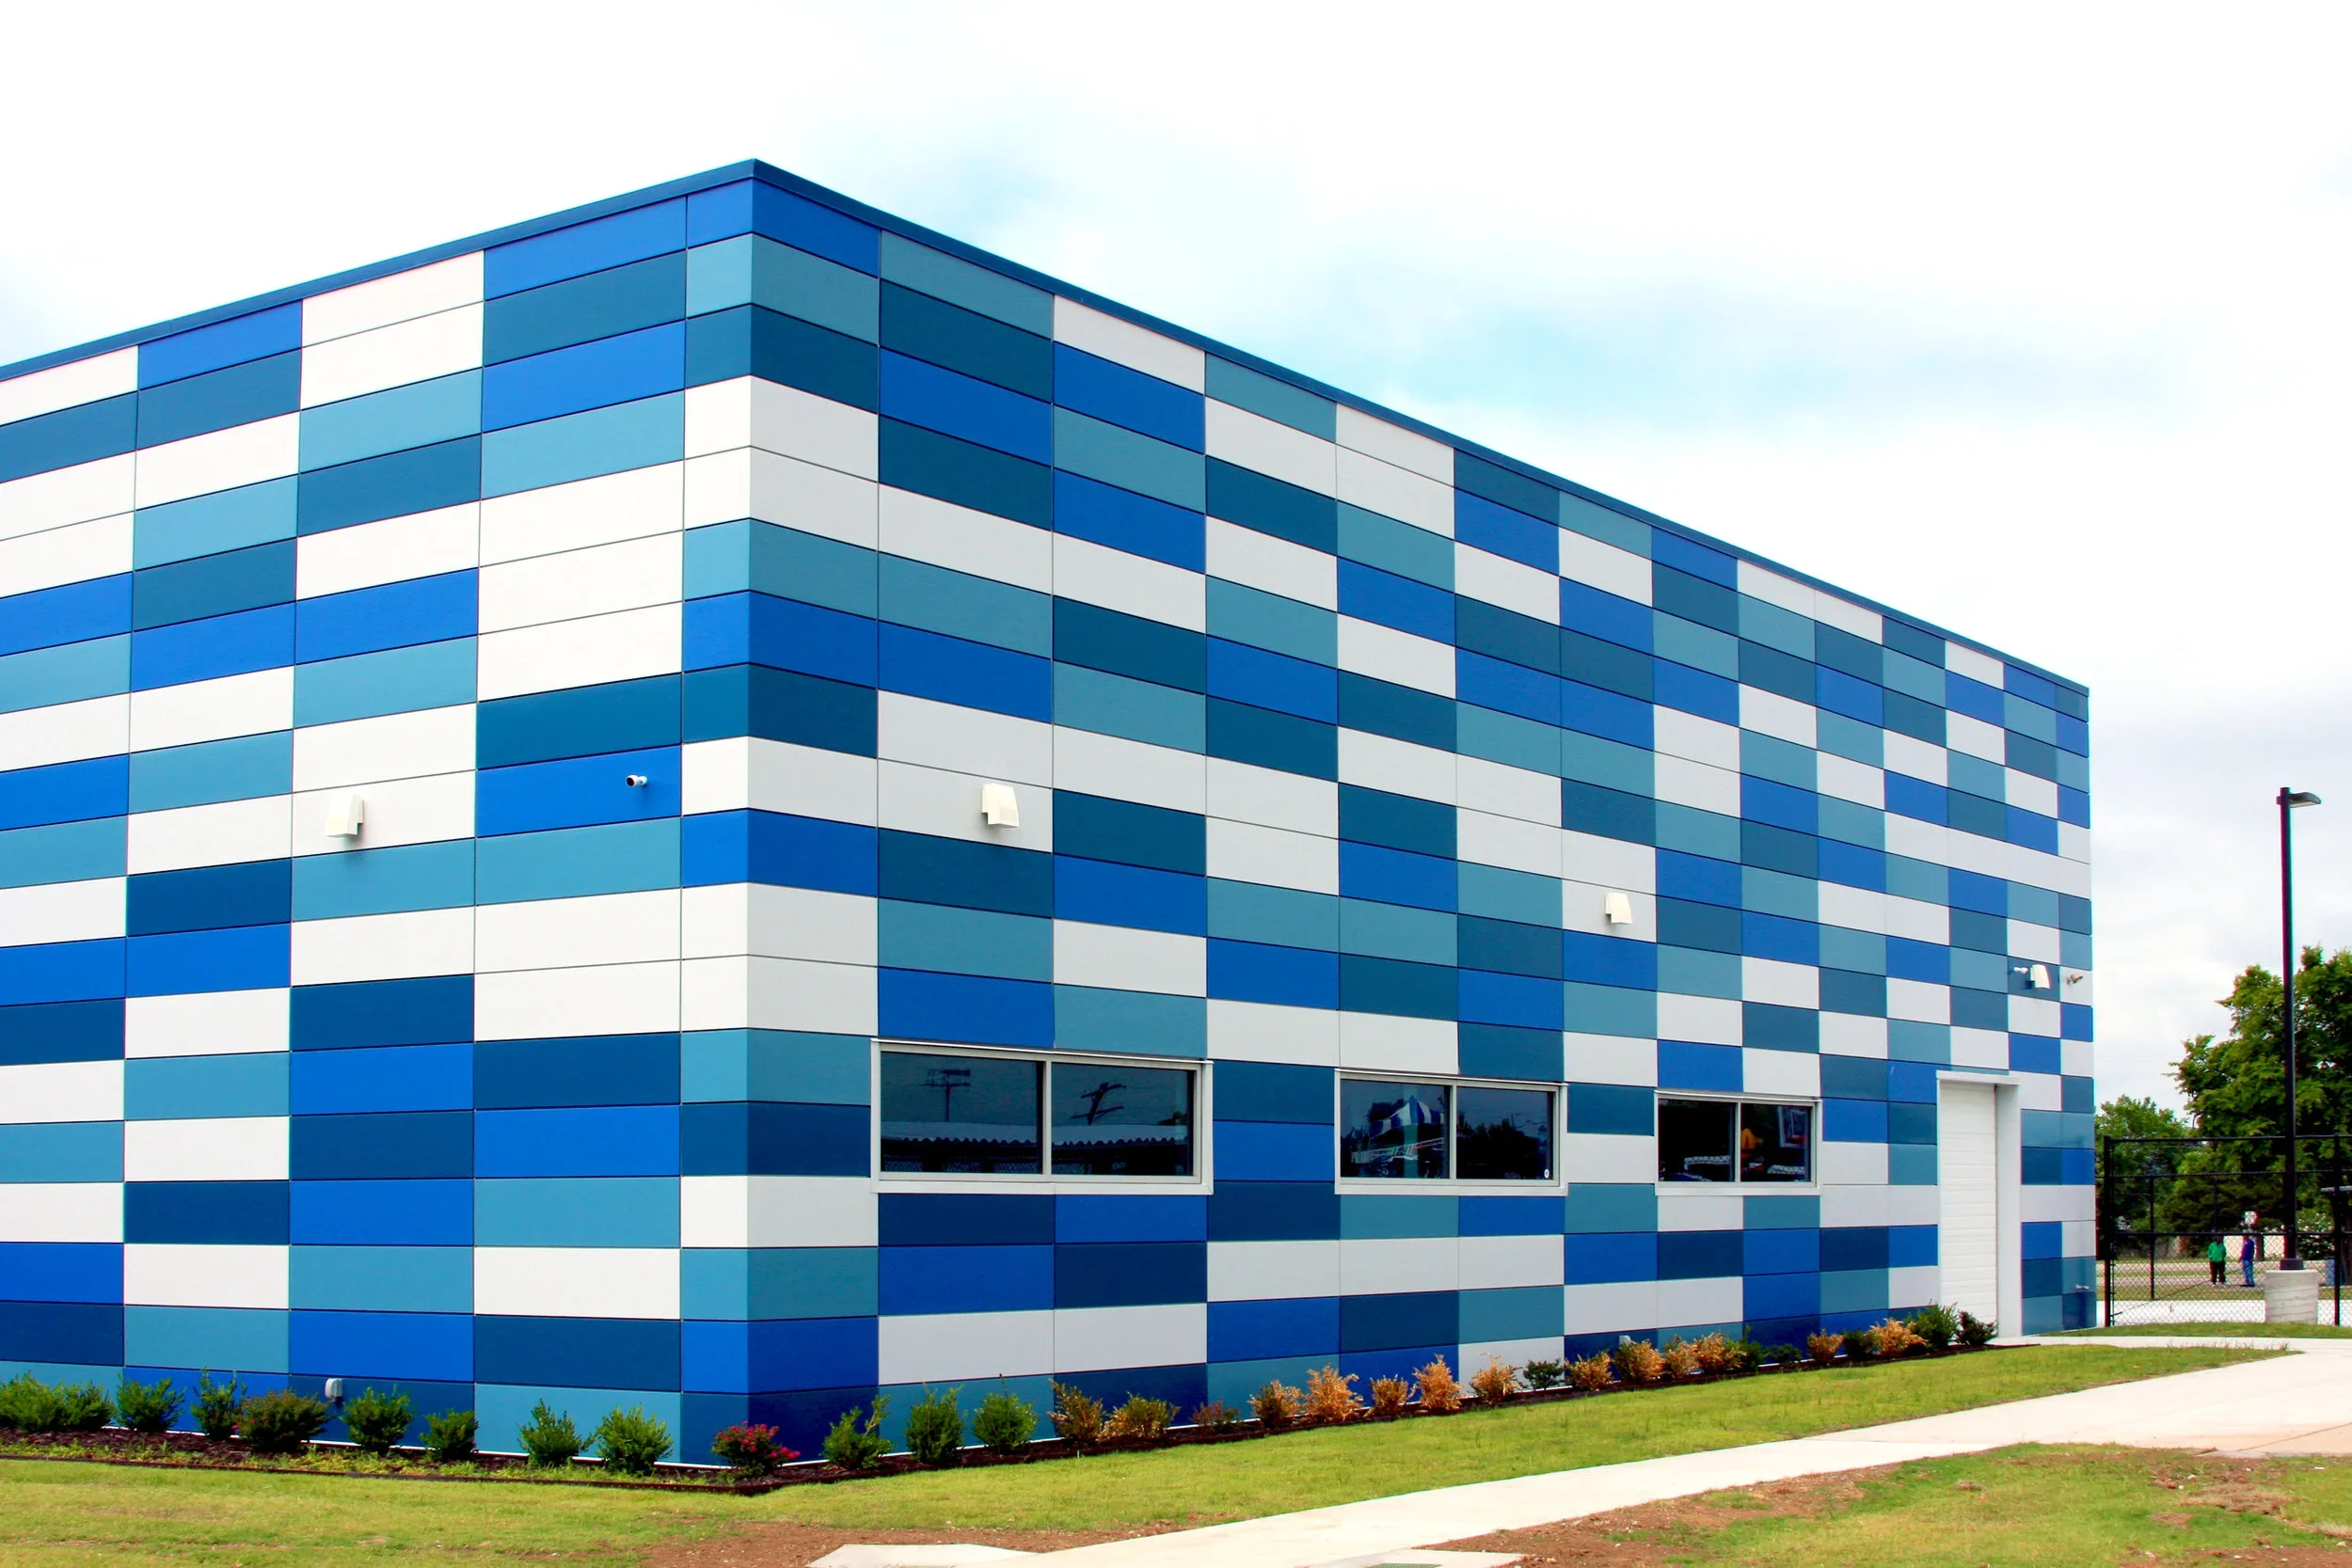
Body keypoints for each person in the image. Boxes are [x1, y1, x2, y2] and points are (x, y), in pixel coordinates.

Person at [2242, 1212, 2262, 1288]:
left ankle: (2251, 1282)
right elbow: (2243, 1250)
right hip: (2244, 1258)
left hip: (2248, 1258)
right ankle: (2247, 1281)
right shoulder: (2245, 1242)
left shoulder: (2250, 1242)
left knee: (2249, 1270)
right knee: (2245, 1271)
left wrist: (2252, 1256)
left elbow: (2252, 1250)